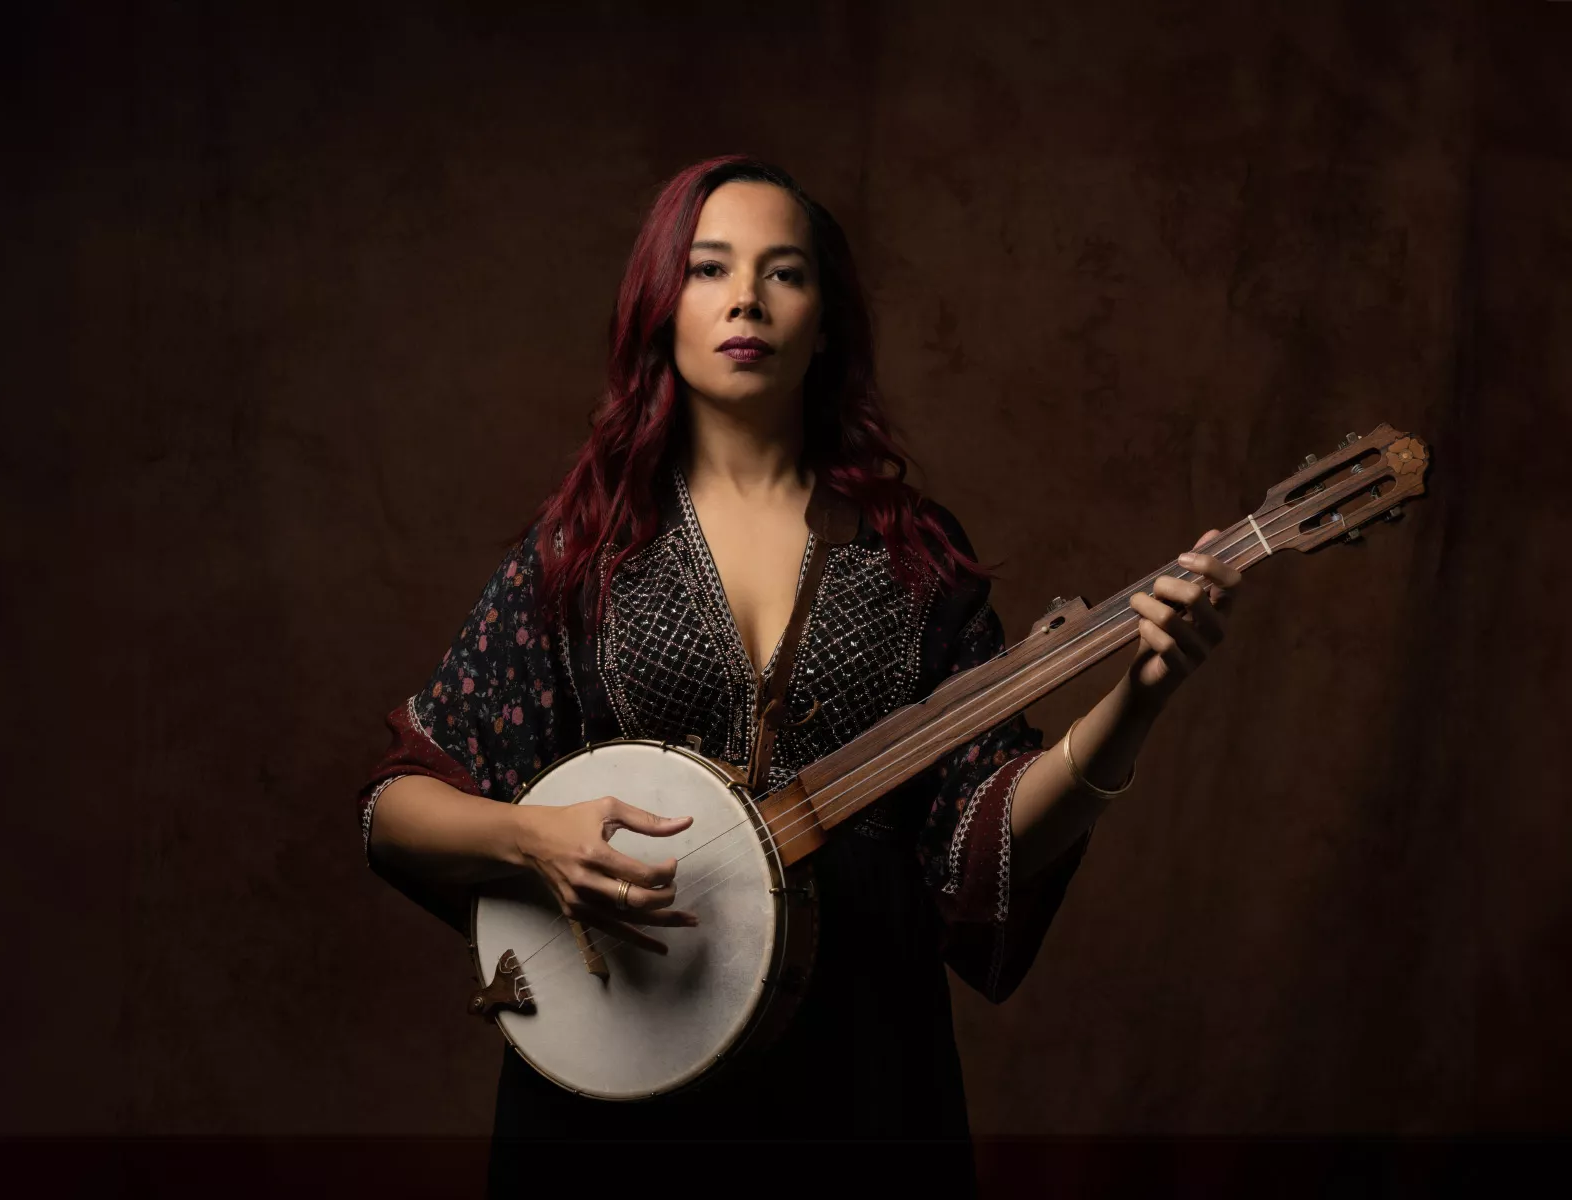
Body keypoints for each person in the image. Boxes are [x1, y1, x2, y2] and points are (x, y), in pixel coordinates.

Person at [357, 155, 1240, 1191]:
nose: (746, 298)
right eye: (708, 269)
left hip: (861, 1062)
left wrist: (1141, 696)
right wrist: (532, 837)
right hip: (623, 1060)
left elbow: (984, 847)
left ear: (825, 324)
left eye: (784, 272)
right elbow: (394, 809)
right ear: (660, 311)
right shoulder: (582, 553)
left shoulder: (914, 556)